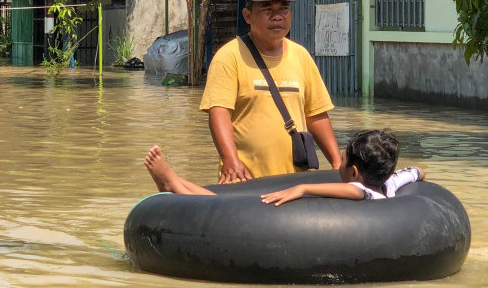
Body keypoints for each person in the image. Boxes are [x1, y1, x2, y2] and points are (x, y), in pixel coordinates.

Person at [200, 0, 341, 182]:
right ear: (247, 16)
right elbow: (219, 113)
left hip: (295, 182)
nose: (277, 16)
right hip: (245, 181)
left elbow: (316, 115)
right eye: (267, 9)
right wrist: (230, 159)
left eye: (283, 8)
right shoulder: (229, 57)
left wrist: (337, 163)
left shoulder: (301, 56)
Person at [143, 130, 424, 202]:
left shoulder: (365, 193)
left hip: (278, 222)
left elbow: (356, 192)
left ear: (353, 172)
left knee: (235, 206)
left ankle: (172, 184)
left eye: (344, 157)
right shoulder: (389, 185)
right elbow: (415, 173)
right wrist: (418, 174)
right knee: (221, 199)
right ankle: (173, 182)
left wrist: (302, 189)